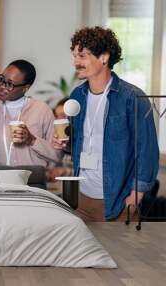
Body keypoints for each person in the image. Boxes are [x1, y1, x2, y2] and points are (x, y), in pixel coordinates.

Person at [53, 26, 159, 221]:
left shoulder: (133, 97)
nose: (76, 62)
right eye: (74, 56)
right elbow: (80, 141)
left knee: (117, 253)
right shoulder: (77, 95)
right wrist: (64, 142)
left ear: (104, 57)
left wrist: (136, 197)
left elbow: (147, 150)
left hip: (118, 202)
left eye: (82, 56)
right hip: (81, 198)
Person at [0, 60, 62, 166]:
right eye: (1, 79)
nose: (2, 86)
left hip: (32, 181)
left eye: (9, 84)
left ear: (25, 88)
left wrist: (31, 140)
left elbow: (57, 155)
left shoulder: (42, 110)